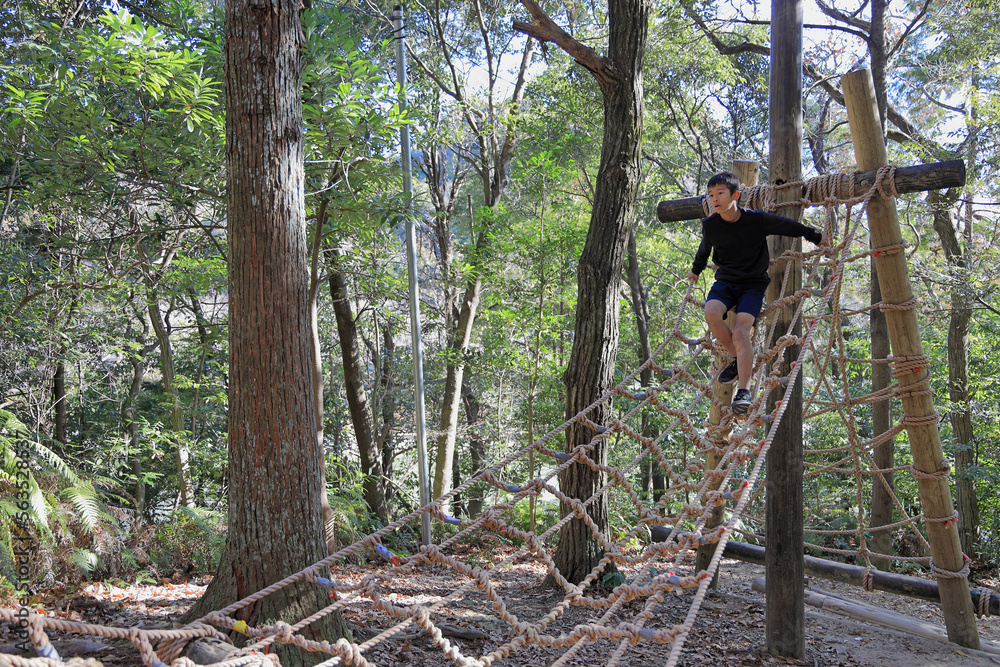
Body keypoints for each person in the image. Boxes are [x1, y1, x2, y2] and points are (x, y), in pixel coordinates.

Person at [687, 171, 828, 415]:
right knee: (711, 313)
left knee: (742, 333)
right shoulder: (710, 224)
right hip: (726, 282)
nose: (714, 199)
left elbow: (787, 226)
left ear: (736, 195)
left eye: (720, 193)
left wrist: (815, 236)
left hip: (752, 285)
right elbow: (704, 250)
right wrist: (696, 270)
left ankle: (743, 390)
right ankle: (740, 359)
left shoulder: (755, 220)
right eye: (711, 195)